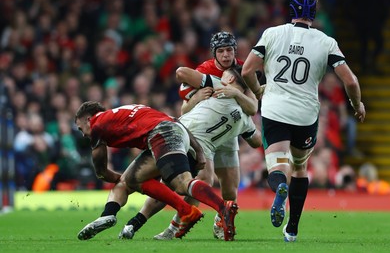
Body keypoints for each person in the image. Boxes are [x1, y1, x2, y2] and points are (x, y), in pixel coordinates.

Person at [241, 0, 366, 242]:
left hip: (275, 110)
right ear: (314, 14)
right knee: (299, 167)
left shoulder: (272, 34)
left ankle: (280, 188)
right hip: (305, 114)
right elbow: (350, 80)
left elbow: (247, 70)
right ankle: (293, 228)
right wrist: (357, 104)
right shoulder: (325, 41)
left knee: (277, 166)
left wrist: (258, 91)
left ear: (291, 11)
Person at [118, 64, 262, 240]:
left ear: (230, 79)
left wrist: (195, 96)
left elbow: (181, 72)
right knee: (196, 184)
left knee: (138, 179)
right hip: (201, 151)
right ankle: (172, 229)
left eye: (224, 75)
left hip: (178, 135)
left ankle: (128, 221)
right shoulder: (246, 121)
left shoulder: (218, 85)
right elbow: (257, 141)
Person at [74, 101, 239, 241]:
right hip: (174, 131)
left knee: (182, 183)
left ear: (88, 119)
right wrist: (198, 150)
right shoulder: (129, 109)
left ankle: (222, 207)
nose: (83, 135)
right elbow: (174, 120)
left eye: (81, 129)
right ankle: (108, 214)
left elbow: (101, 168)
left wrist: (107, 175)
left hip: (162, 134)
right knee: (129, 180)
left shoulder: (97, 123)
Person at [153, 31, 259, 240]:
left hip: (228, 133)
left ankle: (222, 224)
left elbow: (254, 105)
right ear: (214, 53)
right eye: (221, 51)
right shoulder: (204, 70)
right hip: (203, 135)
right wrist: (197, 98)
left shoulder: (243, 69)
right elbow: (185, 107)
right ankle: (175, 225)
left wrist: (236, 92)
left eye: (229, 50)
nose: (226, 55)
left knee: (230, 188)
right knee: (201, 180)